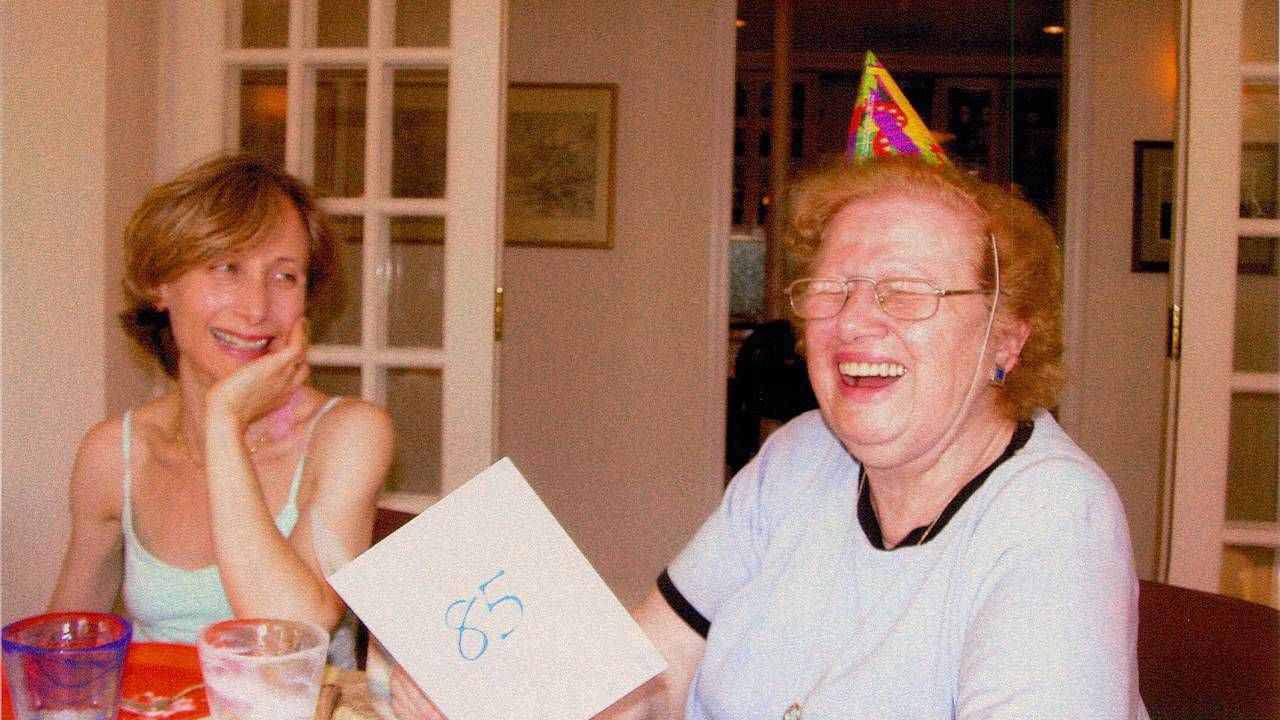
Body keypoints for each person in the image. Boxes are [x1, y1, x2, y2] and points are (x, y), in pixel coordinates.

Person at [390, 53, 1147, 719]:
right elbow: (652, 682)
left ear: (1006, 341)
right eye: (831, 288)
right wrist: (515, 695)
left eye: (908, 291)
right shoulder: (798, 458)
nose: (856, 322)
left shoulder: (1054, 521)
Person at [46, 154, 394, 650]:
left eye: (284, 276)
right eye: (227, 267)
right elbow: (64, 648)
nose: (256, 308)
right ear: (160, 285)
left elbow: (294, 633)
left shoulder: (349, 434)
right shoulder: (114, 453)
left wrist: (224, 422)